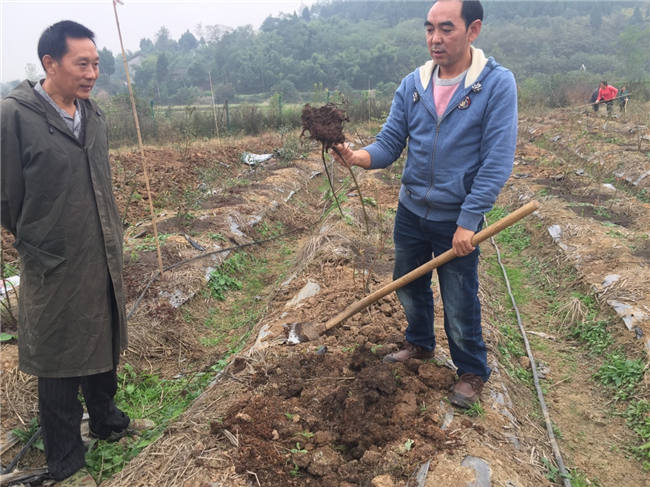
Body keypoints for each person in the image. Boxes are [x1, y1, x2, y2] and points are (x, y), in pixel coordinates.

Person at [331, 0, 517, 408]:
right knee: (411, 286)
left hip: (457, 218)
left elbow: (496, 162)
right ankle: (419, 344)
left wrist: (469, 221)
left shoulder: (495, 85)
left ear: (473, 30)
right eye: (430, 28)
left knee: (459, 297)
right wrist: (357, 156)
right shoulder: (412, 85)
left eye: (447, 28)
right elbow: (389, 143)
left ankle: (471, 370)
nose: (435, 38)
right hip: (411, 211)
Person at [1, 21, 130, 486]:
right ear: (50, 63)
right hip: (52, 257)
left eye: (96, 64)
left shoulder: (93, 115)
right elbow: (6, 197)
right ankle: (66, 461)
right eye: (82, 63)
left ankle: (105, 418)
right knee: (57, 353)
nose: (92, 73)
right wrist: (43, 234)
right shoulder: (14, 116)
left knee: (103, 331)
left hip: (100, 248)